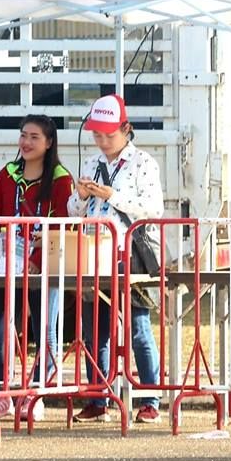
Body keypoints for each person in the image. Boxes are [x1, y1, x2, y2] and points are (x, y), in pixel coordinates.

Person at [67, 94, 163, 424]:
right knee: (95, 329)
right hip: (94, 250)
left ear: (126, 129)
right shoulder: (92, 163)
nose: (103, 141)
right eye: (97, 135)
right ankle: (99, 397)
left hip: (130, 252)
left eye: (109, 134)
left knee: (138, 328)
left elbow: (153, 209)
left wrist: (113, 196)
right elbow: (73, 210)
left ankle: (150, 398)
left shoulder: (144, 163)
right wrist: (79, 196)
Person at [0, 115, 74, 421]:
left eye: (34, 137)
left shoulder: (61, 178)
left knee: (44, 329)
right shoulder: (7, 174)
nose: (27, 142)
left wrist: (36, 261)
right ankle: (2, 393)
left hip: (44, 265)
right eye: (23, 135)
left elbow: (63, 223)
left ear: (49, 143)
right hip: (6, 263)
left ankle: (36, 394)